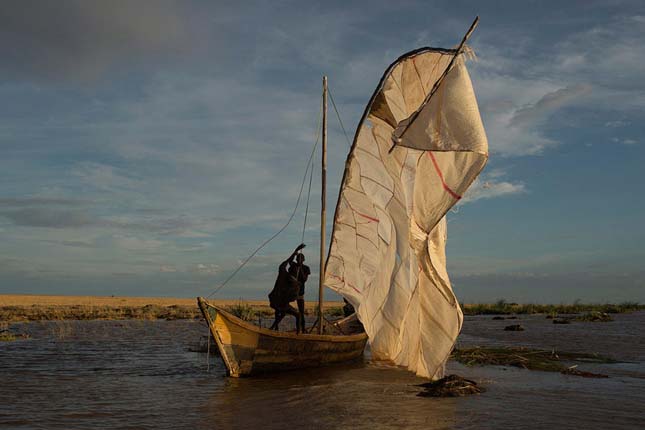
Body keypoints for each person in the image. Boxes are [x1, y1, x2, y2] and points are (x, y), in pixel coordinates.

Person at [268, 243, 305, 333]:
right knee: (297, 315)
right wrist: (295, 251)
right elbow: (286, 262)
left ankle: (273, 328)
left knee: (284, 312)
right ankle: (298, 335)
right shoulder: (284, 274)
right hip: (278, 301)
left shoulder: (293, 281)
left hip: (278, 301)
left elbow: (293, 296)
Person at [288, 250, 311, 331]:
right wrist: (295, 252)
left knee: (301, 311)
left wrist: (300, 268)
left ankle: (303, 328)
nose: (299, 261)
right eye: (298, 259)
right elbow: (289, 260)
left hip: (300, 292)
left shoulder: (306, 268)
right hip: (291, 291)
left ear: (303, 260)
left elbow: (304, 279)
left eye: (300, 259)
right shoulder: (293, 265)